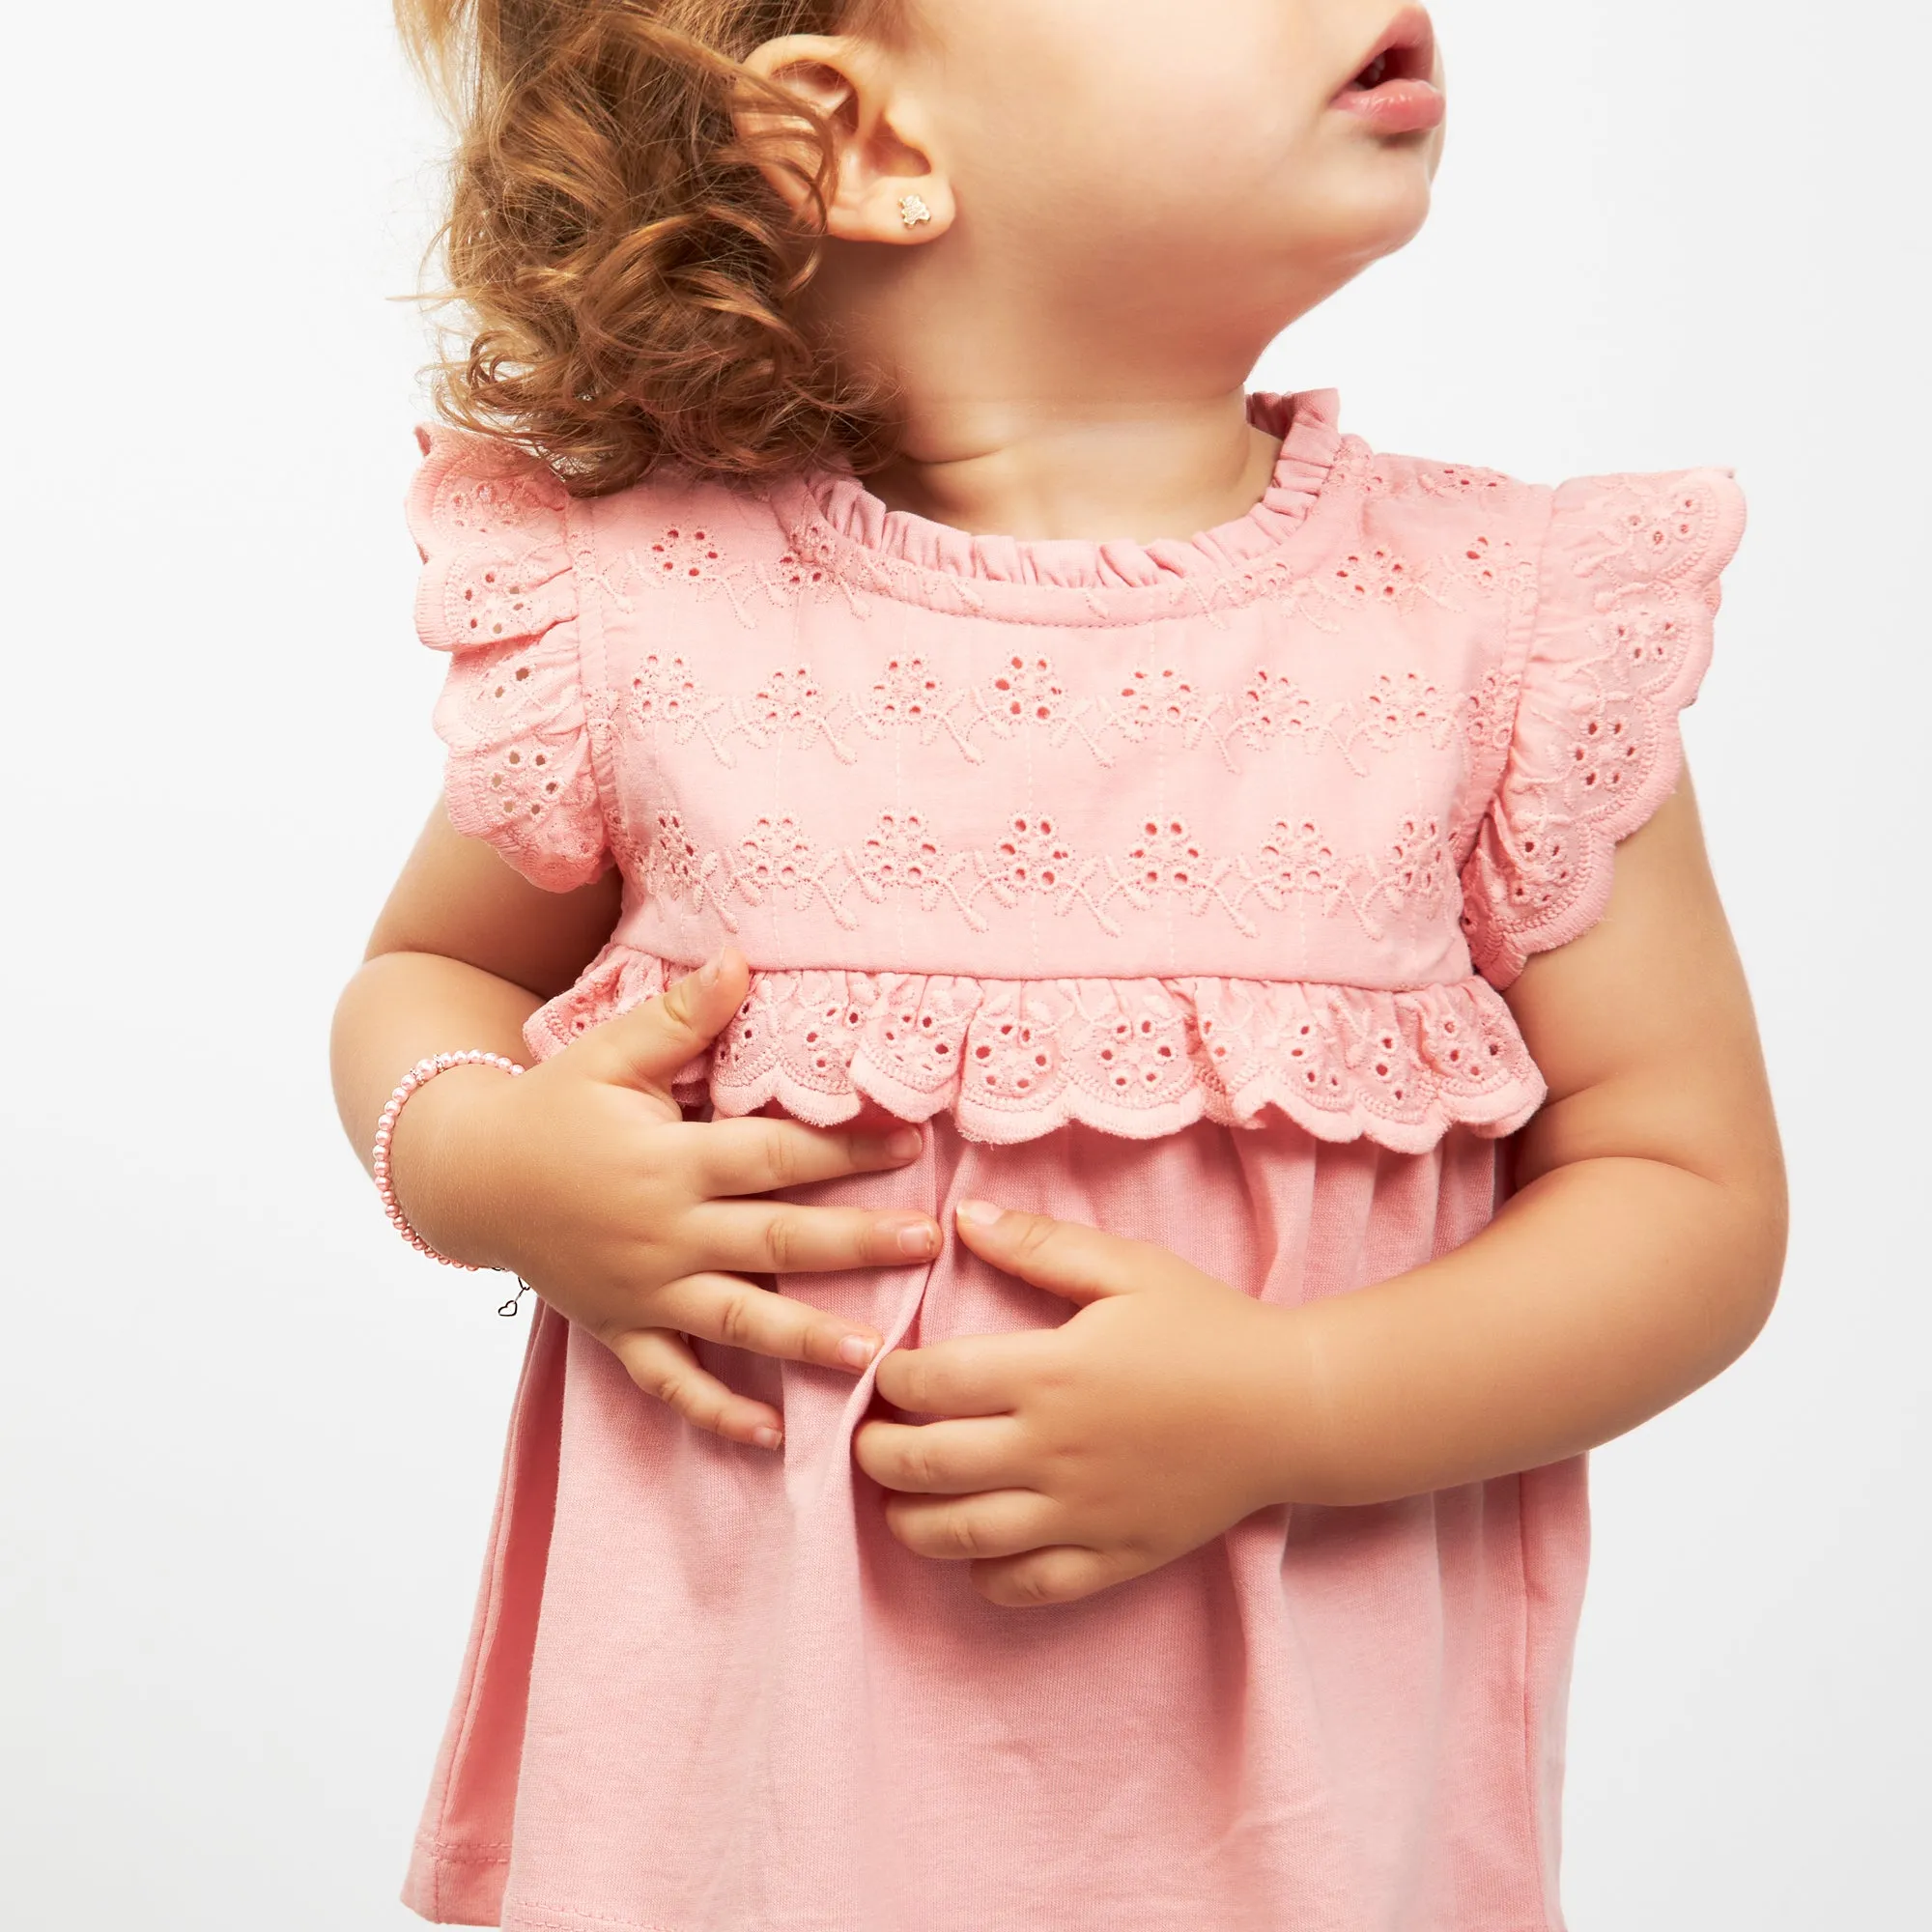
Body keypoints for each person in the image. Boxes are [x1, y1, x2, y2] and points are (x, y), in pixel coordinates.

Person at [328, 3, 1787, 1925]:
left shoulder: (1495, 636)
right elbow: (424, 980)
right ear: (862, 138)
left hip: (1290, 1835)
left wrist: (1300, 1398)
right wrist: (491, 1162)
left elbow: (1689, 1197)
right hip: (741, 1824)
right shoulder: (645, 614)